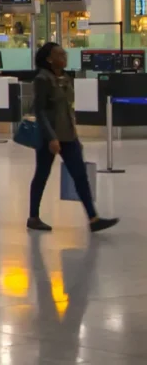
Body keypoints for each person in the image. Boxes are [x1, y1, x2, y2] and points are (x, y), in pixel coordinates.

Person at [28, 43, 118, 233]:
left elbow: (67, 108)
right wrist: (51, 137)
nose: (64, 56)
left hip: (68, 135)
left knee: (80, 175)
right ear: (49, 59)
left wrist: (74, 134)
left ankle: (93, 218)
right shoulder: (43, 79)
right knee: (42, 175)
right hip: (49, 137)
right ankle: (33, 217)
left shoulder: (66, 78)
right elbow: (40, 110)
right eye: (59, 54)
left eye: (64, 53)